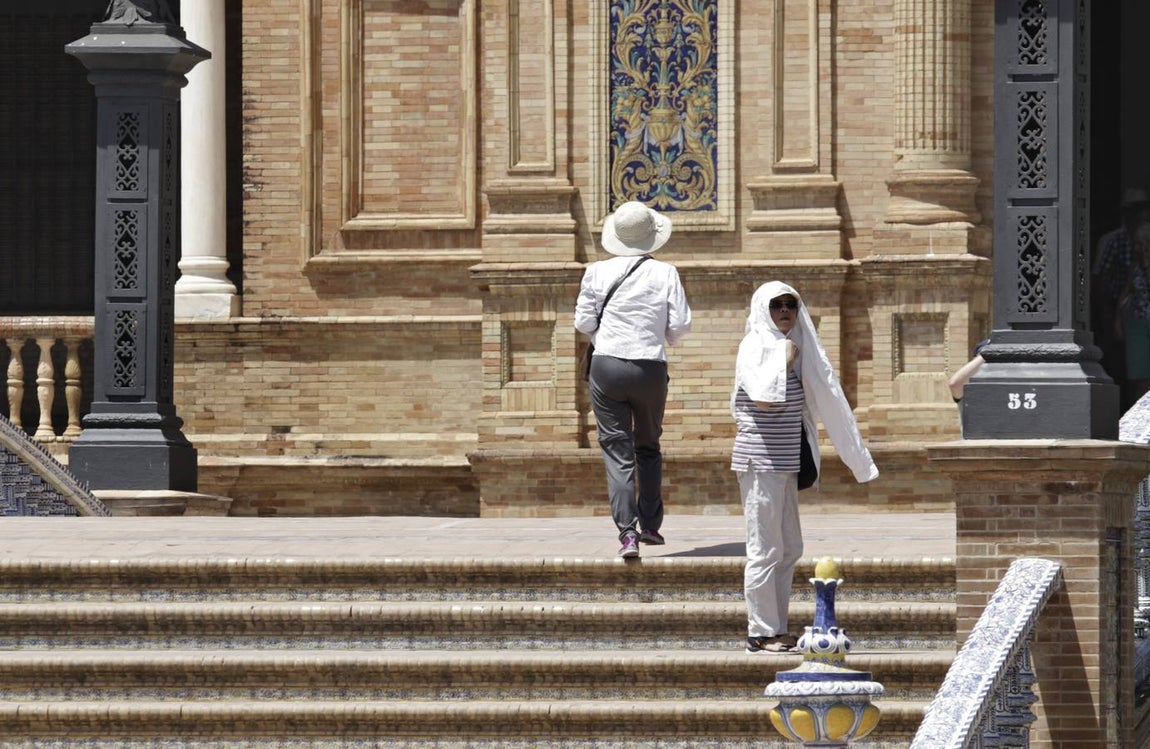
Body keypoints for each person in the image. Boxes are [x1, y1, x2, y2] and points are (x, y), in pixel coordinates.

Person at [731, 281, 878, 653]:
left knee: (789, 548)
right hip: (760, 462)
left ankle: (777, 629)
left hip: (785, 463)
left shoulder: (795, 348)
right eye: (777, 305)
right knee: (764, 548)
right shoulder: (756, 347)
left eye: (791, 305)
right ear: (763, 309)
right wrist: (784, 359)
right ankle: (759, 633)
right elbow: (763, 399)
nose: (784, 311)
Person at [574, 201, 692, 559]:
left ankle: (627, 534)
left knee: (617, 449)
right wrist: (660, 337)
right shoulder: (666, 272)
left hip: (607, 366)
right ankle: (651, 526)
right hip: (650, 368)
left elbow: (582, 323)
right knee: (648, 446)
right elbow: (681, 325)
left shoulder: (596, 272)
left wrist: (606, 335)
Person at [1094, 188, 1150, 406]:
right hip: (1135, 322)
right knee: (1137, 378)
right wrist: (1114, 319)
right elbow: (1110, 284)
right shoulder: (1115, 242)